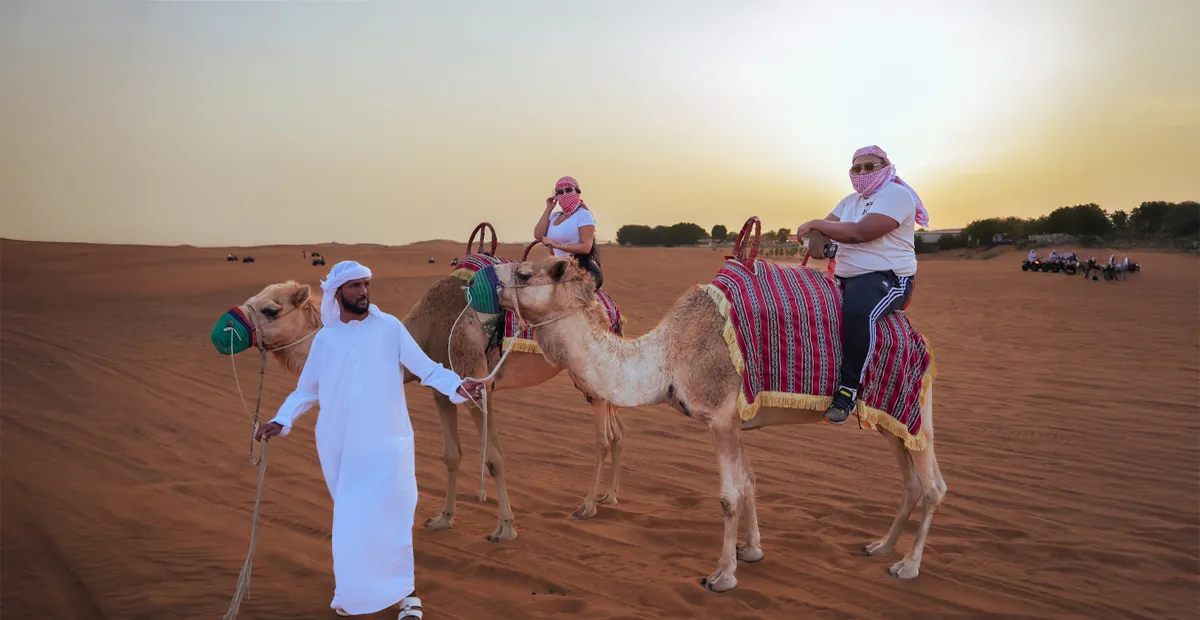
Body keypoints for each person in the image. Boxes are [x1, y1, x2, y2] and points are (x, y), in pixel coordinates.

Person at [254, 260, 486, 618]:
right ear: (337, 293)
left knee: (394, 517)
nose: (363, 291)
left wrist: (459, 385)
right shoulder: (327, 340)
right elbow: (306, 391)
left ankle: (407, 596)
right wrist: (280, 419)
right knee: (352, 523)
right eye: (355, 286)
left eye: (366, 284)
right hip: (342, 448)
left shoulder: (389, 328)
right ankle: (354, 594)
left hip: (388, 444)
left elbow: (427, 369)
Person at [795, 145, 928, 425]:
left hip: (887, 276)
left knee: (857, 312)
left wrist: (817, 224)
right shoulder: (849, 202)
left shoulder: (896, 195)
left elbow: (859, 232)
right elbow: (818, 232)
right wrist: (818, 233)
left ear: (886, 167)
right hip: (843, 276)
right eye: (857, 168)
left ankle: (848, 390)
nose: (863, 172)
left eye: (870, 166)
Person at [533, 175, 604, 289]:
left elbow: (586, 248)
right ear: (556, 196)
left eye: (569, 190)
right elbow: (538, 235)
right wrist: (548, 209)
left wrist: (556, 244)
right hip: (557, 267)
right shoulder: (554, 216)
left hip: (580, 267)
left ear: (577, 191)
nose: (565, 194)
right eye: (560, 192)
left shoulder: (583, 215)